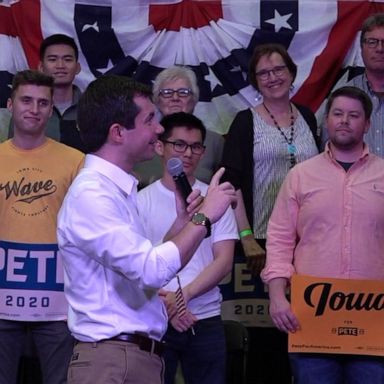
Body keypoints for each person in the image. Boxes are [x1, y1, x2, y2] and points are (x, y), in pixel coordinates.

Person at [57, 75, 237, 384]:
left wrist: (182, 224)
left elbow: (141, 267)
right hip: (112, 360)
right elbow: (150, 270)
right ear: (117, 132)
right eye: (149, 119)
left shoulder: (115, 190)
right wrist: (204, 217)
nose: (158, 129)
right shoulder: (92, 194)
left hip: (131, 357)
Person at [261, 86, 384, 383]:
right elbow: (279, 241)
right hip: (311, 318)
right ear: (327, 120)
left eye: (354, 115)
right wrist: (277, 296)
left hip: (373, 319)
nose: (344, 121)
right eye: (338, 114)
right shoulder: (300, 176)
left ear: (367, 124)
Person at [220, 43, 320, 384]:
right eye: (263, 73)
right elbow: (230, 185)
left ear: (292, 73)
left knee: (304, 331)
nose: (272, 77)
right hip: (261, 246)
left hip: (308, 243)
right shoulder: (244, 122)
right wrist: (246, 238)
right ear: (254, 81)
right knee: (267, 336)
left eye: (278, 69)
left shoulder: (307, 116)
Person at [137, 112, 238, 384]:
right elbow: (137, 264)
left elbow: (224, 261)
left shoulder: (214, 198)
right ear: (160, 147)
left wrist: (183, 297)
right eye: (179, 144)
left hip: (204, 317)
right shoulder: (139, 201)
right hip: (155, 317)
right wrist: (166, 303)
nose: (188, 153)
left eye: (196, 147)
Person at [0, 70, 84, 384]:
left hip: (57, 298)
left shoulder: (75, 161)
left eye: (42, 103)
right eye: (26, 100)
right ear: (10, 104)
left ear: (51, 109)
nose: (34, 109)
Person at [134, 65, 224, 186]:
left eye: (183, 92)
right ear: (156, 100)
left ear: (194, 99)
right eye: (167, 92)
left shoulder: (215, 142)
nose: (175, 98)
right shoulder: (140, 139)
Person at [319, 13, 384, 156]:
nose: (380, 48)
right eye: (372, 42)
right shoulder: (343, 96)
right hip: (354, 178)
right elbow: (328, 151)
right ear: (361, 48)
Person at [7, 34, 85, 151]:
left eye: (67, 59)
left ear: (78, 67)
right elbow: (14, 154)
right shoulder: (27, 111)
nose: (60, 66)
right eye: (52, 59)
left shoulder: (91, 108)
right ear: (41, 67)